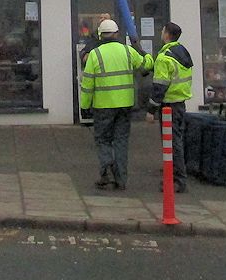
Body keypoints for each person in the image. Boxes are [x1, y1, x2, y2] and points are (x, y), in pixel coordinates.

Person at [79, 18, 152, 190]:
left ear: (100, 35)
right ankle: (121, 179)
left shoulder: (95, 54)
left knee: (103, 140)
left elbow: (87, 84)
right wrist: (143, 52)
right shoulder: (127, 51)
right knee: (121, 141)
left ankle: (107, 170)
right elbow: (147, 65)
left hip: (103, 106)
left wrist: (84, 106)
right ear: (117, 33)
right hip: (125, 105)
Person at [146, 21, 194, 193]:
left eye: (162, 30)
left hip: (169, 106)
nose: (161, 33)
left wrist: (151, 109)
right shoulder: (181, 51)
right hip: (180, 103)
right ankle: (174, 175)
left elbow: (160, 86)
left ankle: (178, 180)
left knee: (172, 144)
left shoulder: (164, 56)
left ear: (167, 34)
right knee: (176, 141)